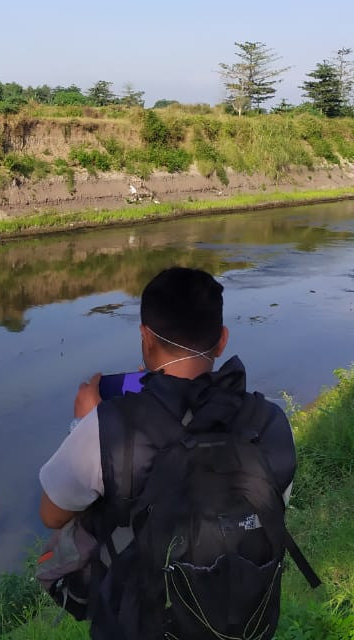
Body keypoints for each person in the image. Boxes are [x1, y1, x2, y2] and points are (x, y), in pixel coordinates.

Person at [38, 266, 299, 639]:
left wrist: (83, 423)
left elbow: (51, 513)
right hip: (241, 623)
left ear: (145, 338)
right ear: (222, 341)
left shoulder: (107, 426)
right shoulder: (271, 423)